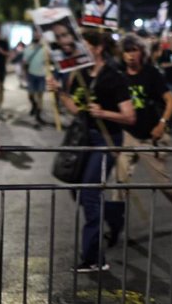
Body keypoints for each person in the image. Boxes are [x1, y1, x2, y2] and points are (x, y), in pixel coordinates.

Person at [47, 30, 134, 272]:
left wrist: (104, 113)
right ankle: (114, 216)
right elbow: (76, 110)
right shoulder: (81, 73)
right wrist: (59, 92)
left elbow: (129, 116)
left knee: (88, 193)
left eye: (83, 45)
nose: (78, 50)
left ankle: (95, 258)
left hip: (107, 140)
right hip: (84, 137)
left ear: (97, 49)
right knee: (80, 189)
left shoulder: (114, 76)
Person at [115, 34, 172, 232]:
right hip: (127, 135)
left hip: (150, 135)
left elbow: (171, 100)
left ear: (142, 53)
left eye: (134, 50)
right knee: (120, 181)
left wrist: (162, 123)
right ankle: (114, 224)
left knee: (162, 182)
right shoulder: (118, 75)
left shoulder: (151, 74)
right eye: (126, 51)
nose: (130, 55)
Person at [24, 30, 47, 125]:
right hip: (31, 74)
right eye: (36, 34)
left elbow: (50, 59)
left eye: (39, 34)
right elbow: (25, 61)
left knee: (40, 96)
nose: (37, 35)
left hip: (42, 75)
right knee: (31, 95)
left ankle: (38, 115)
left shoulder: (46, 48)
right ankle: (34, 105)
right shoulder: (29, 47)